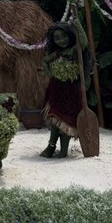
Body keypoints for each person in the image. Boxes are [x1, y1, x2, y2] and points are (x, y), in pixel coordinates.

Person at [40, 22, 89, 158]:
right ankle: (51, 146)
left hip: (71, 90)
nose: (61, 40)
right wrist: (50, 73)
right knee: (55, 118)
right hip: (56, 89)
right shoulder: (57, 53)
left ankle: (63, 150)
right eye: (57, 38)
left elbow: (83, 42)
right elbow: (44, 61)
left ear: (70, 35)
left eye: (64, 36)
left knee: (67, 120)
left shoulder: (73, 51)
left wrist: (78, 25)